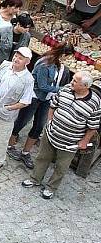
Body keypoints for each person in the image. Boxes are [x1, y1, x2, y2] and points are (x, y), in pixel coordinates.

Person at [22, 71, 101, 199]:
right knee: (42, 157)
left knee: (61, 166)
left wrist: (84, 141)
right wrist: (50, 121)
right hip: (52, 133)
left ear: (85, 86)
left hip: (70, 142)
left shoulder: (95, 103)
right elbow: (53, 105)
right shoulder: (65, 90)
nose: (71, 82)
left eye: (75, 81)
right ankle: (35, 179)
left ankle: (51, 187)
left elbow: (93, 126)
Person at [8, 42, 73, 169]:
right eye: (68, 56)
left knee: (39, 126)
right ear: (63, 54)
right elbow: (43, 86)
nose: (68, 59)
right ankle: (10, 145)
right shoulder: (45, 64)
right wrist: (62, 89)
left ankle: (25, 152)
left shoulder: (58, 64)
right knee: (22, 121)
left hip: (46, 99)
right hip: (34, 97)